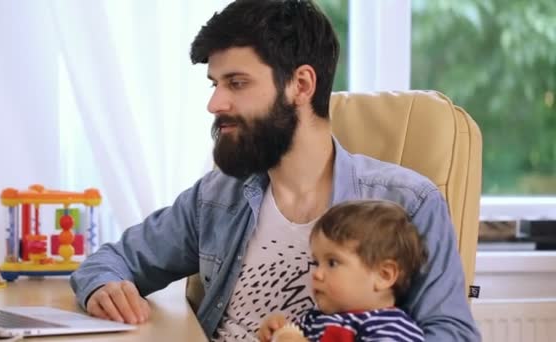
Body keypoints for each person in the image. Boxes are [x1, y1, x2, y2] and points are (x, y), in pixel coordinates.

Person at [70, 0, 480, 341]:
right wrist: (103, 288)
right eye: (214, 84)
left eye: (236, 83)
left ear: (301, 85)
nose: (215, 103)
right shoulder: (217, 196)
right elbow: (111, 260)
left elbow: (453, 334)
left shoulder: (407, 202)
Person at [258, 200, 428, 342]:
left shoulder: (392, 329)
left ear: (384, 275)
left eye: (332, 263)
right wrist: (276, 333)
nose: (316, 273)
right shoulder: (312, 319)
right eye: (316, 263)